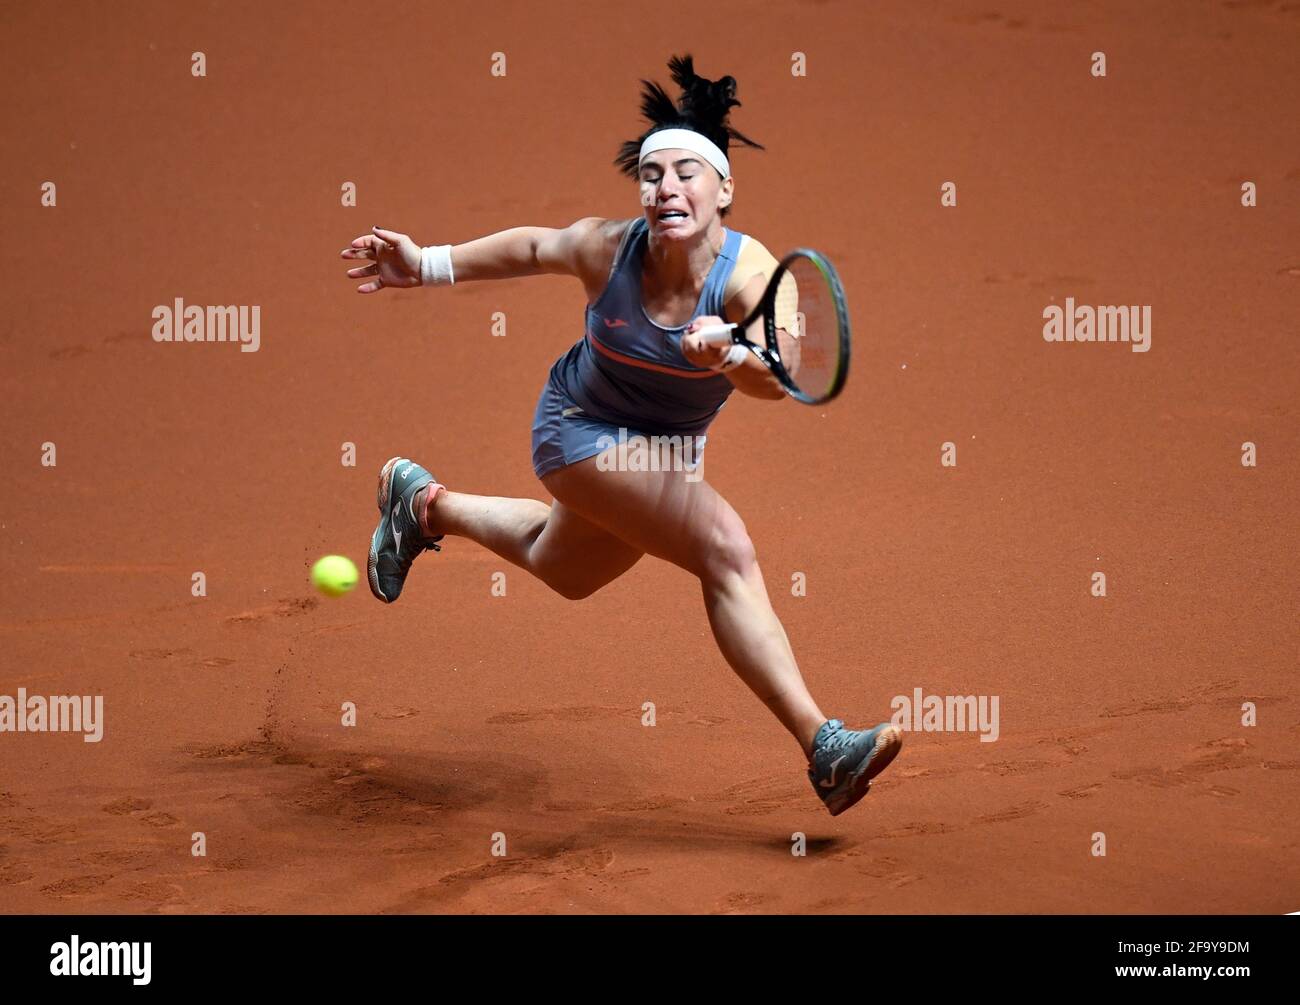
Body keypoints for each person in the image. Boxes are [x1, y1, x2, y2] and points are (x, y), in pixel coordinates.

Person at [339, 54, 901, 816]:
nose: (664, 186)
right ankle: (823, 745)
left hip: (663, 454)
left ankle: (423, 505)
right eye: (649, 174)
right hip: (576, 428)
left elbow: (781, 373)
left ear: (724, 188)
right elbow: (533, 247)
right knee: (725, 547)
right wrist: (424, 264)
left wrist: (732, 352)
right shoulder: (608, 248)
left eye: (684, 172)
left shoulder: (749, 275)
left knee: (564, 567)